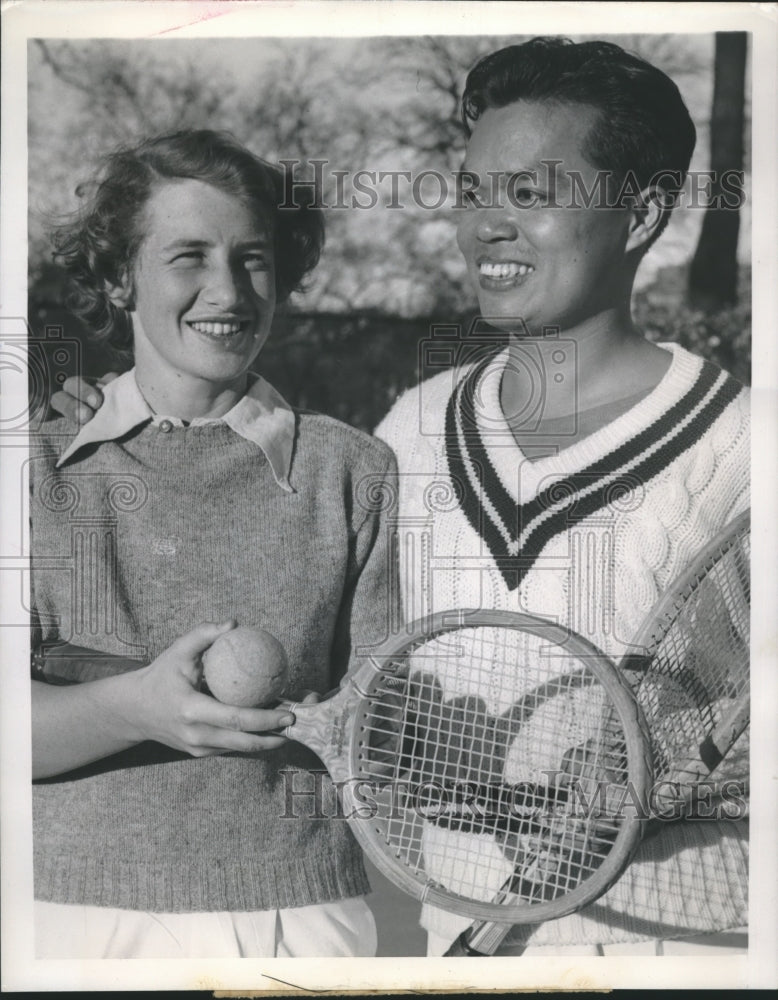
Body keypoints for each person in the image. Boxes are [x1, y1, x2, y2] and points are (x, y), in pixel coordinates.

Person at [53, 38, 750, 958]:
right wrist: (111, 429)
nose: (484, 227)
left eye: (531, 195)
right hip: (446, 934)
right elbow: (358, 671)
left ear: (641, 214)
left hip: (681, 943)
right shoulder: (407, 431)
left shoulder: (747, 445)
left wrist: (657, 777)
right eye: (472, 193)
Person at [30, 129, 396, 958]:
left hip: (300, 921)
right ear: (120, 277)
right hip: (71, 918)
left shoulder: (353, 469)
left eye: (253, 258)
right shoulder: (33, 469)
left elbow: (384, 722)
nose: (227, 291)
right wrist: (132, 709)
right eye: (188, 256)